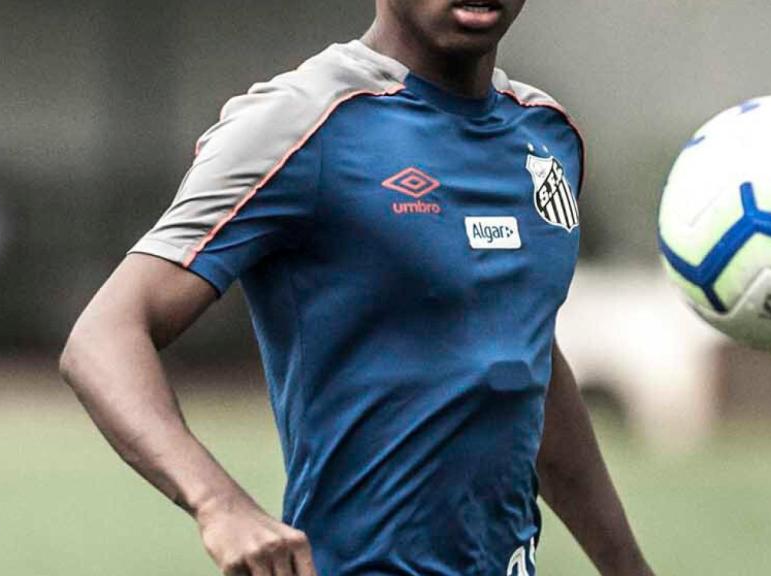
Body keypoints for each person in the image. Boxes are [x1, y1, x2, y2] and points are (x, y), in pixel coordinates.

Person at [60, 1, 655, 575]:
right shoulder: (299, 122)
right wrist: (219, 504)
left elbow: (525, 358)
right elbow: (103, 337)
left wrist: (628, 567)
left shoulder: (546, 136)